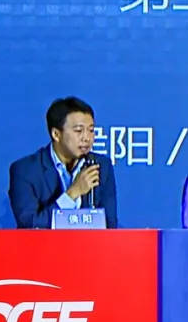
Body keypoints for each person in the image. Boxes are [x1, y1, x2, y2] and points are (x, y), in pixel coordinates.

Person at [8, 96, 118, 228]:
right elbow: (29, 224)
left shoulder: (101, 166)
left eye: (91, 130)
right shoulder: (25, 170)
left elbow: (109, 225)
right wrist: (72, 194)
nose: (87, 138)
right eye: (79, 131)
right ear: (56, 134)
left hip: (90, 242)